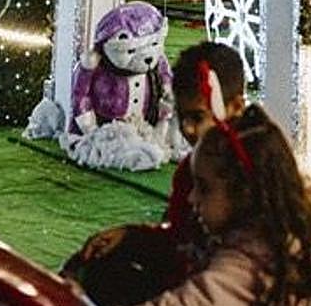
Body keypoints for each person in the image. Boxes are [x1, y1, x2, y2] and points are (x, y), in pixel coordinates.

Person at [110, 105, 311, 306]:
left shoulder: (251, 266)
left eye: (203, 187)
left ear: (244, 193)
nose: (191, 199)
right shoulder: (274, 234)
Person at [68, 42, 248, 288]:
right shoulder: (190, 169)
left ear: (236, 108)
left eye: (197, 117)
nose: (186, 129)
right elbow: (179, 239)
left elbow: (216, 288)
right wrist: (131, 237)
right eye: (181, 117)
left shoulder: (250, 175)